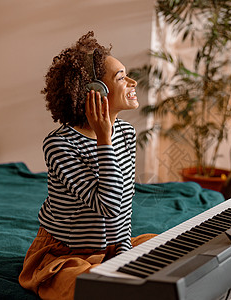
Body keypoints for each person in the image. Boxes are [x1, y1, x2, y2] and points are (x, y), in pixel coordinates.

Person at [18, 31, 156, 300]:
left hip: (110, 248)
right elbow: (108, 205)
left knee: (170, 250)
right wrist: (104, 139)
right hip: (64, 253)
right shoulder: (59, 145)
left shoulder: (126, 134)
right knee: (89, 287)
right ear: (94, 92)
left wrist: (123, 257)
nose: (132, 82)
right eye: (121, 77)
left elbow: (122, 209)